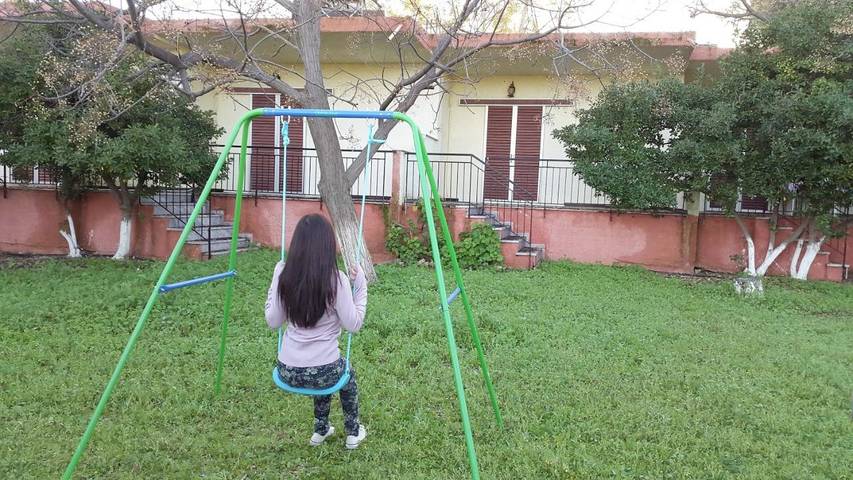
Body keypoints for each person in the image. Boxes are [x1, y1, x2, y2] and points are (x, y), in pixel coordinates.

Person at [265, 214, 368, 449]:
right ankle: (353, 432)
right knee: (344, 374)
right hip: (325, 371)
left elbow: (273, 321)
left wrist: (275, 278)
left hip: (287, 371)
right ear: (328, 246)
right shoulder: (337, 281)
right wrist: (360, 286)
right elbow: (353, 324)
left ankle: (321, 430)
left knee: (324, 370)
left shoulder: (285, 276)